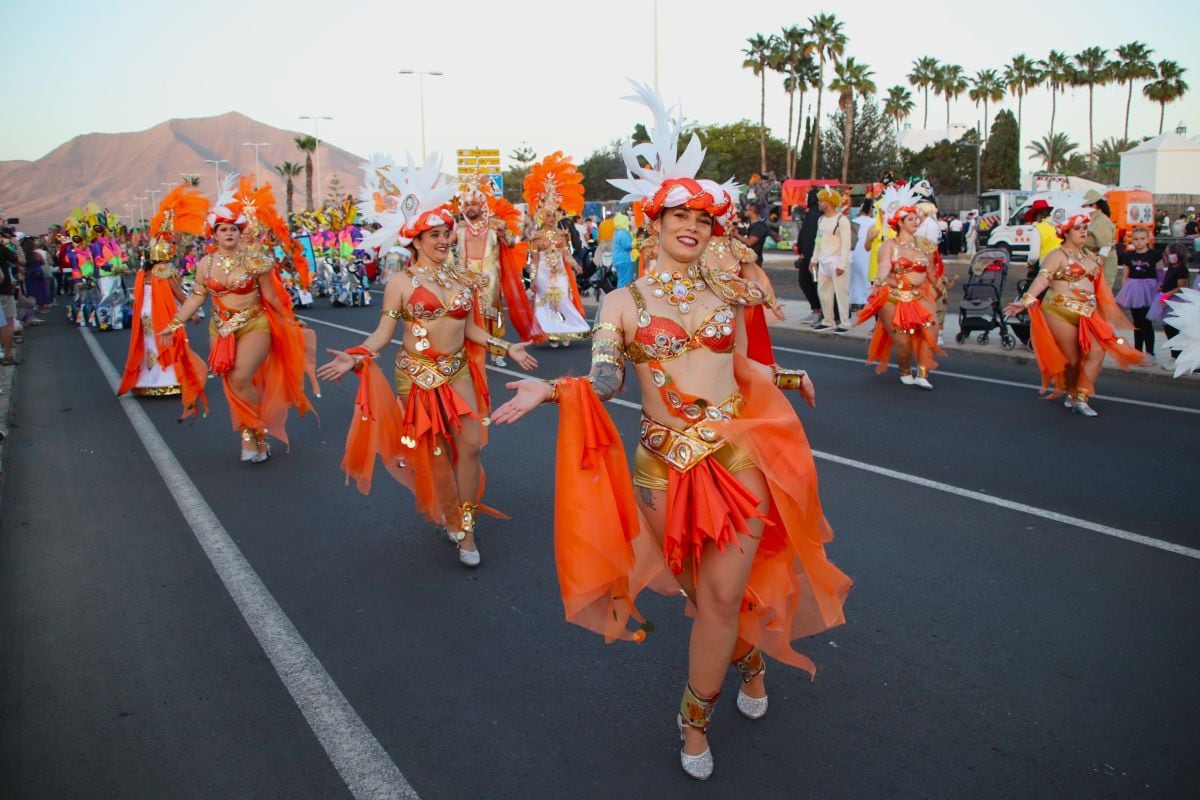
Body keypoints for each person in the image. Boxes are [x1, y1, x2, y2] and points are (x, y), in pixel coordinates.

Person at [492, 81, 851, 781]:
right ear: (650, 224)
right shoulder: (621, 303)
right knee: (698, 596)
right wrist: (554, 390)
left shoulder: (726, 294)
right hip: (662, 471)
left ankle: (693, 717)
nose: (691, 224)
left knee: (719, 596)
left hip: (734, 458)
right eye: (676, 214)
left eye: (702, 217)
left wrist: (785, 380)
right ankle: (747, 657)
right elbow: (607, 381)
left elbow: (738, 362)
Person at [318, 152, 538, 568]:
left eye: (445, 233)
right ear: (415, 241)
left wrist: (505, 346)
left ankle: (467, 526)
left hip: (457, 373)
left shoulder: (462, 279)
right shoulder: (401, 283)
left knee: (470, 446)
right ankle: (453, 516)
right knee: (437, 455)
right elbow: (383, 335)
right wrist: (355, 356)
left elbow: (470, 329)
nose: (442, 240)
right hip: (416, 378)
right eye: (433, 234)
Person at [162, 174, 316, 462]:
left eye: (233, 228)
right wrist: (174, 323)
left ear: (239, 231)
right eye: (223, 229)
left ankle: (253, 431)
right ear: (215, 234)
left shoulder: (255, 259)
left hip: (255, 323)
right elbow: (197, 296)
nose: (229, 233)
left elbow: (270, 297)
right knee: (233, 382)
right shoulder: (205, 264)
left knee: (241, 375)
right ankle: (253, 433)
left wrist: (290, 320)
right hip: (220, 328)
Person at [1004, 206, 1145, 416]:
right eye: (1078, 228)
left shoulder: (1090, 255)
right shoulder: (1056, 255)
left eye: (1085, 228)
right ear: (1066, 232)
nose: (1083, 231)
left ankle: (1081, 397)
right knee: (1072, 360)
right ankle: (1071, 391)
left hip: (1087, 313)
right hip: (1059, 311)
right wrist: (1026, 301)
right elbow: (1043, 279)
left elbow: (1100, 285)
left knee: (1097, 351)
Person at [116, 184, 209, 415]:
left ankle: (149, 380)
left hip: (145, 314)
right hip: (162, 313)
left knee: (150, 344)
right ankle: (170, 379)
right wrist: (194, 312)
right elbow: (179, 295)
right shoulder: (165, 272)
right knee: (169, 343)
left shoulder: (143, 274)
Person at [855, 183, 945, 390]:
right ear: (900, 222)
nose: (916, 222)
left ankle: (923, 372)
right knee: (903, 342)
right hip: (893, 296)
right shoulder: (890, 245)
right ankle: (905, 369)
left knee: (929, 331)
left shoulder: (926, 245)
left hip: (920, 295)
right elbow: (884, 265)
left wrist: (941, 286)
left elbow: (932, 272)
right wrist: (877, 282)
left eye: (917, 219)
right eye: (911, 219)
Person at [454, 175, 541, 362]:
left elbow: (511, 243)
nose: (470, 208)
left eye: (473, 204)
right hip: (465, 276)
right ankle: (465, 349)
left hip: (489, 276)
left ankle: (496, 351)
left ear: (481, 205)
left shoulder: (496, 225)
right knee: (464, 312)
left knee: (493, 314)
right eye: (467, 204)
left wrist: (505, 235)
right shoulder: (458, 228)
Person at [523, 153, 591, 345]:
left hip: (560, 272)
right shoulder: (536, 237)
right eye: (548, 215)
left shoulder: (562, 235)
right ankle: (552, 334)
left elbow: (566, 254)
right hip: (544, 272)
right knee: (548, 304)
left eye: (554, 215)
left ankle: (570, 330)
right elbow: (534, 260)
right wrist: (534, 278)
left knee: (562, 300)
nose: (551, 218)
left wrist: (575, 266)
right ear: (542, 216)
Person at [1114, 226, 1163, 363]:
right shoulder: (1128, 256)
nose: (1139, 242)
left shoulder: (1155, 255)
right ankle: (1136, 351)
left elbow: (1160, 273)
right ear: (1132, 240)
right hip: (1134, 288)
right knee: (1137, 322)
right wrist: (1125, 292)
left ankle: (1150, 353)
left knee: (1146, 321)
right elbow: (1125, 275)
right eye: (1135, 239)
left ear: (1148, 239)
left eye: (1142, 239)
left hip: (1149, 289)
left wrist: (1160, 290)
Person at [811, 187, 852, 333]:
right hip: (823, 260)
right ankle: (828, 320)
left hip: (837, 260)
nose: (819, 203)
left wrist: (842, 264)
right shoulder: (821, 219)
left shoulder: (842, 220)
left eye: (822, 200)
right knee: (823, 292)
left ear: (829, 202)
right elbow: (818, 240)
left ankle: (845, 322)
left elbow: (846, 243)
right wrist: (814, 259)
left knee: (841, 293)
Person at [1154, 243, 1193, 369]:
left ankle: (1178, 358)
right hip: (1168, 300)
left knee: (1173, 330)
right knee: (1168, 329)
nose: (1166, 256)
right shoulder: (1172, 267)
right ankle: (1173, 356)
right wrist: (1162, 287)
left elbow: (1182, 287)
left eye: (1168, 253)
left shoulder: (1182, 269)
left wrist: (1167, 294)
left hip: (1176, 302)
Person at [793, 187, 824, 324]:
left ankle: (819, 311)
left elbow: (811, 237)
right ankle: (815, 310)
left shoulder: (815, 214)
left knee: (812, 283)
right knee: (808, 282)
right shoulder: (812, 213)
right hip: (808, 256)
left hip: (811, 258)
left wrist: (806, 255)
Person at [1082, 190, 1118, 287]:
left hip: (1103, 259)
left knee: (1103, 288)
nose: (1084, 208)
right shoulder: (1090, 218)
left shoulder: (1101, 221)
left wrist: (1098, 263)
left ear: (1095, 205)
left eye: (1087, 205)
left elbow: (1105, 246)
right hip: (1091, 257)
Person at [850, 200, 874, 311]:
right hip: (868, 253)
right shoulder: (873, 222)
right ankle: (866, 301)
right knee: (867, 278)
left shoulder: (853, 222)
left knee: (855, 279)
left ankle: (855, 301)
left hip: (854, 254)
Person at [0, 228, 19, 364]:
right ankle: (7, 355)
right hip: (4, 291)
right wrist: (16, 245)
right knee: (7, 323)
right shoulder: (2, 249)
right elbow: (20, 261)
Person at [611, 212, 635, 288]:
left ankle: (620, 297)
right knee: (626, 282)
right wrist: (635, 242)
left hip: (618, 259)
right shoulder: (623, 233)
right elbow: (627, 246)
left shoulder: (617, 232)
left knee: (621, 280)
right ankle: (622, 297)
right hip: (624, 259)